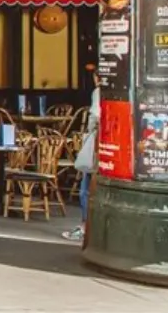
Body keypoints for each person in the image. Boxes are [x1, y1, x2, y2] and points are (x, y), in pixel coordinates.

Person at [64, 76, 101, 242]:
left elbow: (95, 118)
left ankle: (86, 226)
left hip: (98, 144)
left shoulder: (98, 92)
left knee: (86, 189)